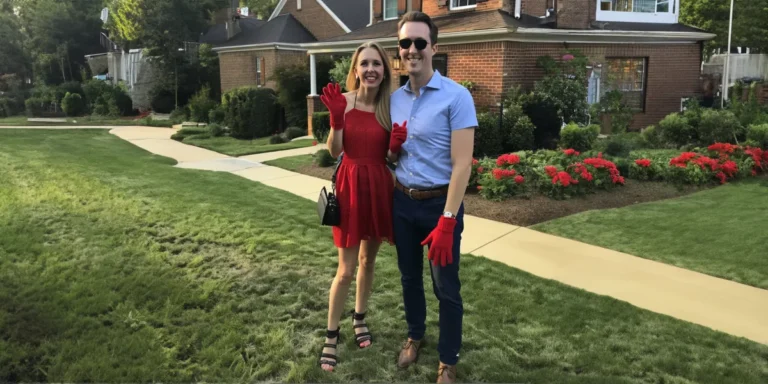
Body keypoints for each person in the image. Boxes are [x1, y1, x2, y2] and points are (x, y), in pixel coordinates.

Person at [388, 11, 477, 384]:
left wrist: (447, 219)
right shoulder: (393, 100)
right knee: (409, 278)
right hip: (402, 203)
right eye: (406, 43)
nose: (412, 50)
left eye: (420, 43)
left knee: (446, 286)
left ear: (434, 48)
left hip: (440, 206)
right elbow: (391, 157)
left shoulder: (456, 97)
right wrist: (391, 151)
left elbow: (462, 165)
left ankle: (448, 359)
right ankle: (414, 335)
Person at [317, 41, 408, 372]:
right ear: (355, 69)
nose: (371, 69)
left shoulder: (389, 108)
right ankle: (331, 335)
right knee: (345, 269)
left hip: (379, 188)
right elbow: (333, 151)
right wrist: (337, 121)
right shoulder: (344, 101)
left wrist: (395, 148)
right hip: (351, 187)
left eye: (377, 64)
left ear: (385, 71)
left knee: (369, 261)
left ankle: (359, 318)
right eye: (365, 63)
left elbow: (388, 158)